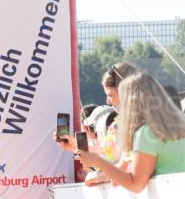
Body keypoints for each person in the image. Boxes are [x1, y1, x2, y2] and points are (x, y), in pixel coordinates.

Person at [57, 72, 185, 191]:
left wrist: (96, 163)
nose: (114, 103)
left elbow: (135, 184)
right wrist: (96, 171)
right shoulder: (168, 127)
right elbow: (120, 171)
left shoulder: (146, 134)